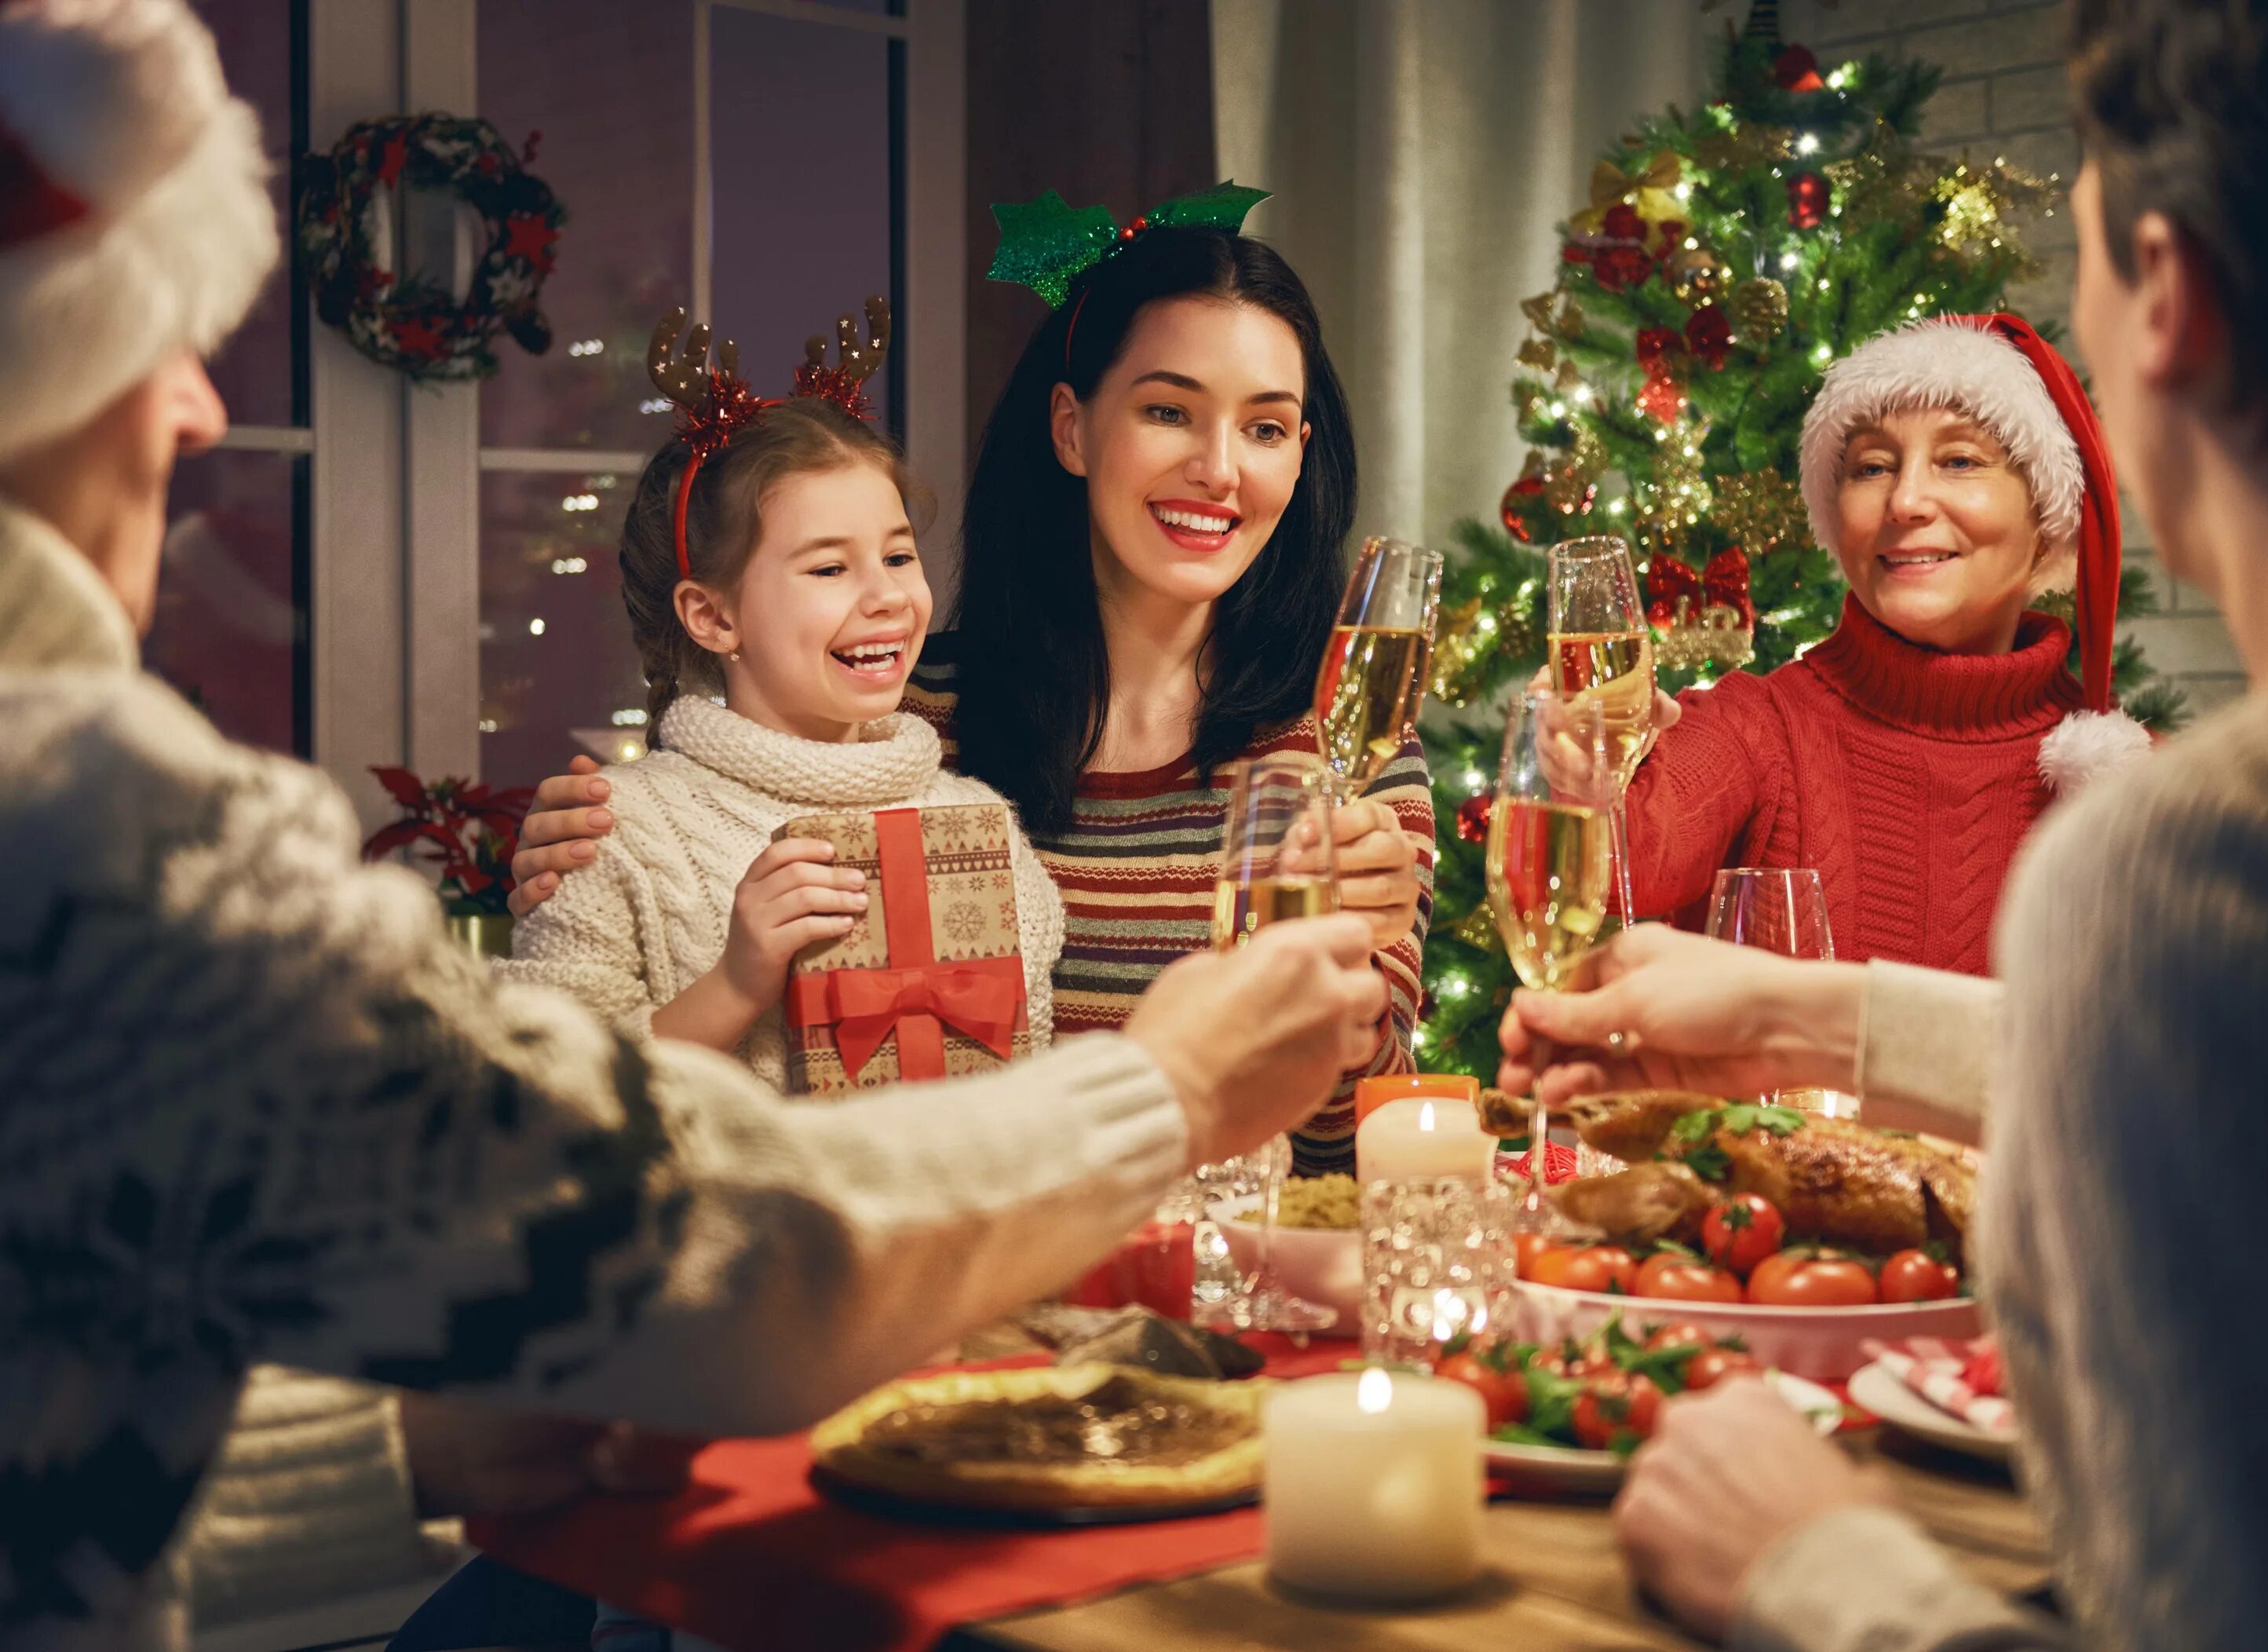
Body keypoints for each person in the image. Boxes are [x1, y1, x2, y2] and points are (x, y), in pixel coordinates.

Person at [0, 5, 1389, 1646]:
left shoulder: (1126, 756)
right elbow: (701, 1236)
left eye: (1272, 420)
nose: (196, 408)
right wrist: (1164, 1083)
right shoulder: (94, 832)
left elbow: (55, 1444)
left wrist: (409, 1447)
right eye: (153, 339)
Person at [1505, 0, 2268, 1645]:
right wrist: (1799, 1004)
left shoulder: (2179, 850)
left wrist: (1815, 1567)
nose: (1913, 501)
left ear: (2162, 300)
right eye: (1875, 468)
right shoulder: (1795, 721)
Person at [513, 210, 1433, 1174]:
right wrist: (588, 840)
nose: (1219, 467)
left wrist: (1351, 976)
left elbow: (1350, 1132)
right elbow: (716, 815)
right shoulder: (898, 711)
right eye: (1169, 411)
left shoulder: (1342, 748)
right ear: (1072, 428)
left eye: (1266, 427)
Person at [501, 360, 1064, 1091]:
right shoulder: (613, 833)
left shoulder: (983, 824)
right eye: (829, 569)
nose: (888, 595)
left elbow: (1029, 1093)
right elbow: (544, 1101)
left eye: (898, 555)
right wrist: (735, 985)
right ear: (714, 616)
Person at [1605, 314, 2149, 975]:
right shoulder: (1758, 728)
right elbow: (1622, 862)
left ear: (2045, 520)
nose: (1907, 500)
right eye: (1871, 467)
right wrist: (1583, 778)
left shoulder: (2128, 786)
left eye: (1959, 460)